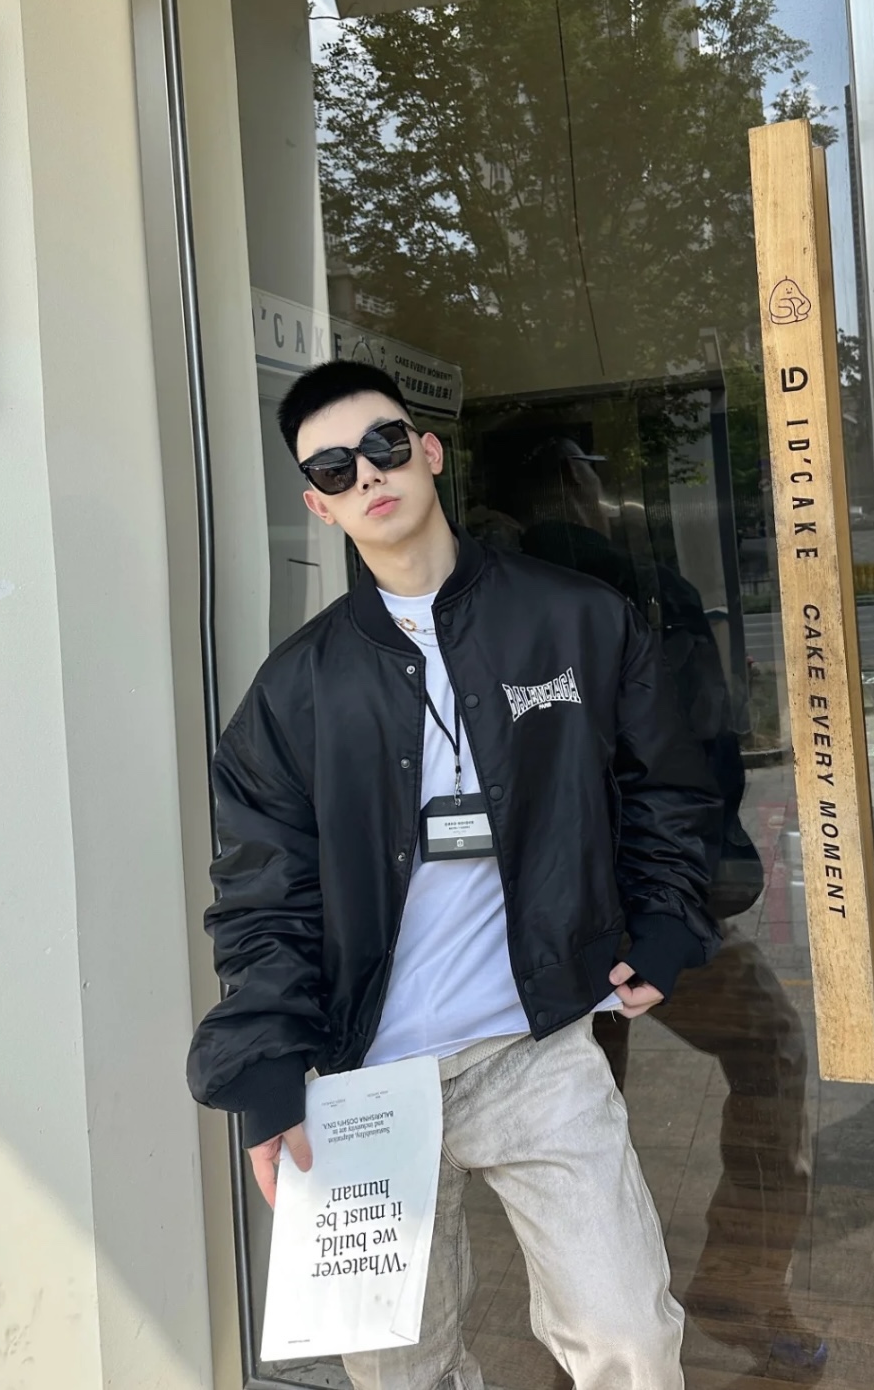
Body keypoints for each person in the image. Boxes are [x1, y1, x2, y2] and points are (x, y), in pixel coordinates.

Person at [186, 361, 724, 1390]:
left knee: (627, 1337)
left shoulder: (574, 618)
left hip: (534, 1048)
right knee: (398, 1371)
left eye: (384, 444)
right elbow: (262, 894)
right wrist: (266, 1073)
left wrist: (665, 924)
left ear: (427, 451)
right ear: (317, 503)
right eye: (334, 469)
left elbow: (664, 782)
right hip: (360, 1077)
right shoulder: (294, 689)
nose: (367, 474)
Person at [509, 433, 825, 1381]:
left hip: (582, 906)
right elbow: (684, 749)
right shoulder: (610, 585)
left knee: (587, 1115)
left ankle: (649, 1316)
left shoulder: (507, 589)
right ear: (571, 482)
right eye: (592, 471)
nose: (606, 491)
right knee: (749, 1054)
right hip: (617, 904)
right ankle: (710, 1293)